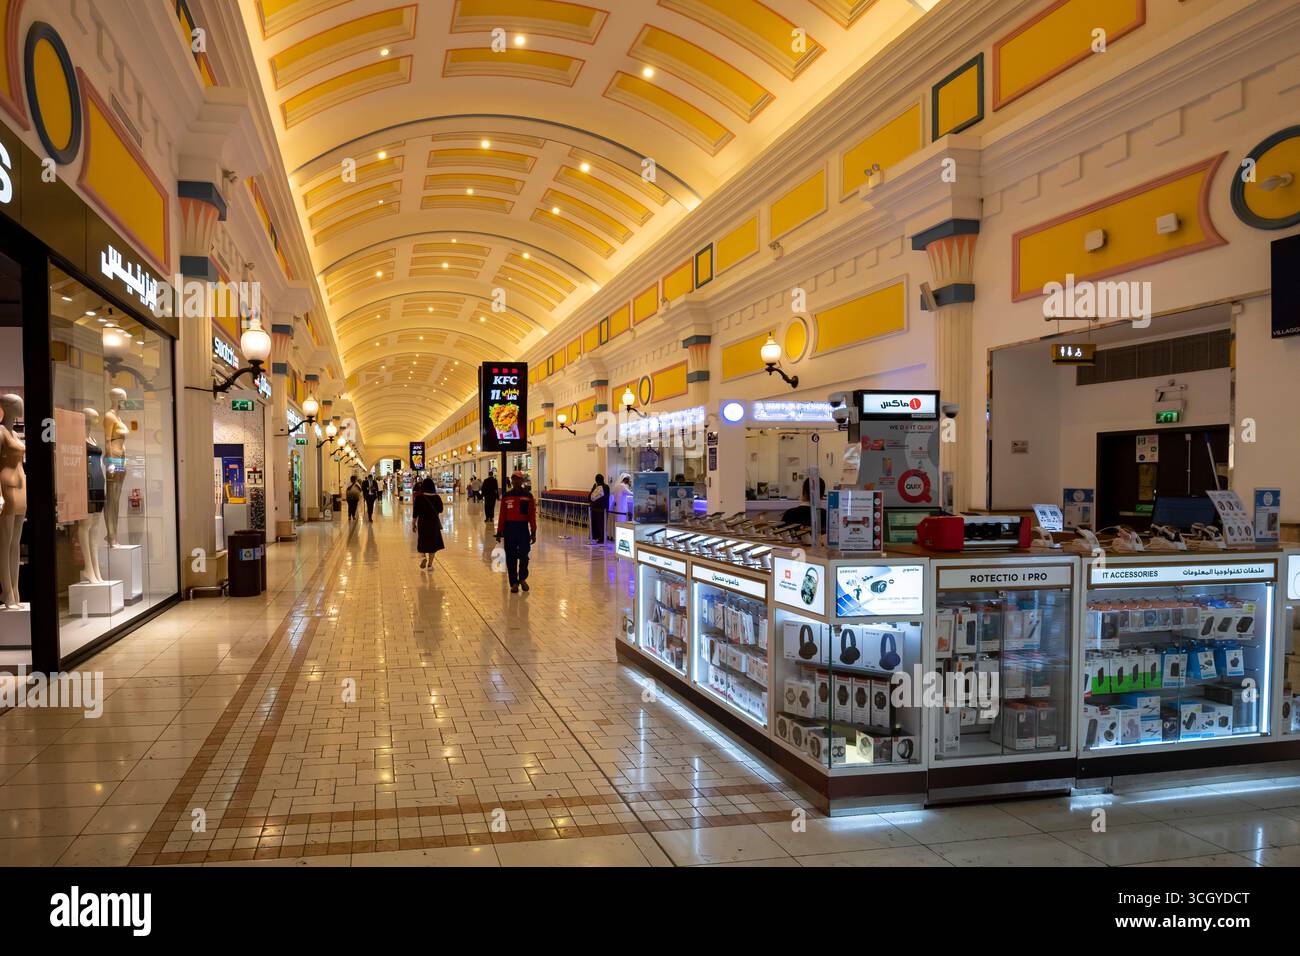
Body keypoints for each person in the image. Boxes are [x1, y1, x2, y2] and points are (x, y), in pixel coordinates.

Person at [495, 471, 536, 593]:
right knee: (511, 557)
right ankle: (513, 582)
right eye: (513, 479)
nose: (515, 481)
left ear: (522, 481)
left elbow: (532, 515)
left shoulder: (528, 496)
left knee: (524, 555)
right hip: (510, 529)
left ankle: (522, 578)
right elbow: (502, 515)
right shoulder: (507, 496)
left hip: (523, 529)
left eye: (518, 479)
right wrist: (499, 532)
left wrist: (533, 531)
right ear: (511, 481)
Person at [412, 477, 445, 569]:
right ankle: (430, 565)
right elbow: (441, 510)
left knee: (422, 540)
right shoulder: (437, 497)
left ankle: (423, 557)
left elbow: (415, 512)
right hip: (433, 522)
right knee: (433, 543)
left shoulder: (419, 497)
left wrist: (413, 523)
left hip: (422, 522)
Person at [588, 472, 609, 545]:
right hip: (597, 508)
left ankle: (601, 538)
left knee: (601, 524)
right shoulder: (599, 486)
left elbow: (591, 497)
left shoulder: (604, 487)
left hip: (601, 509)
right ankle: (596, 537)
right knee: (597, 524)